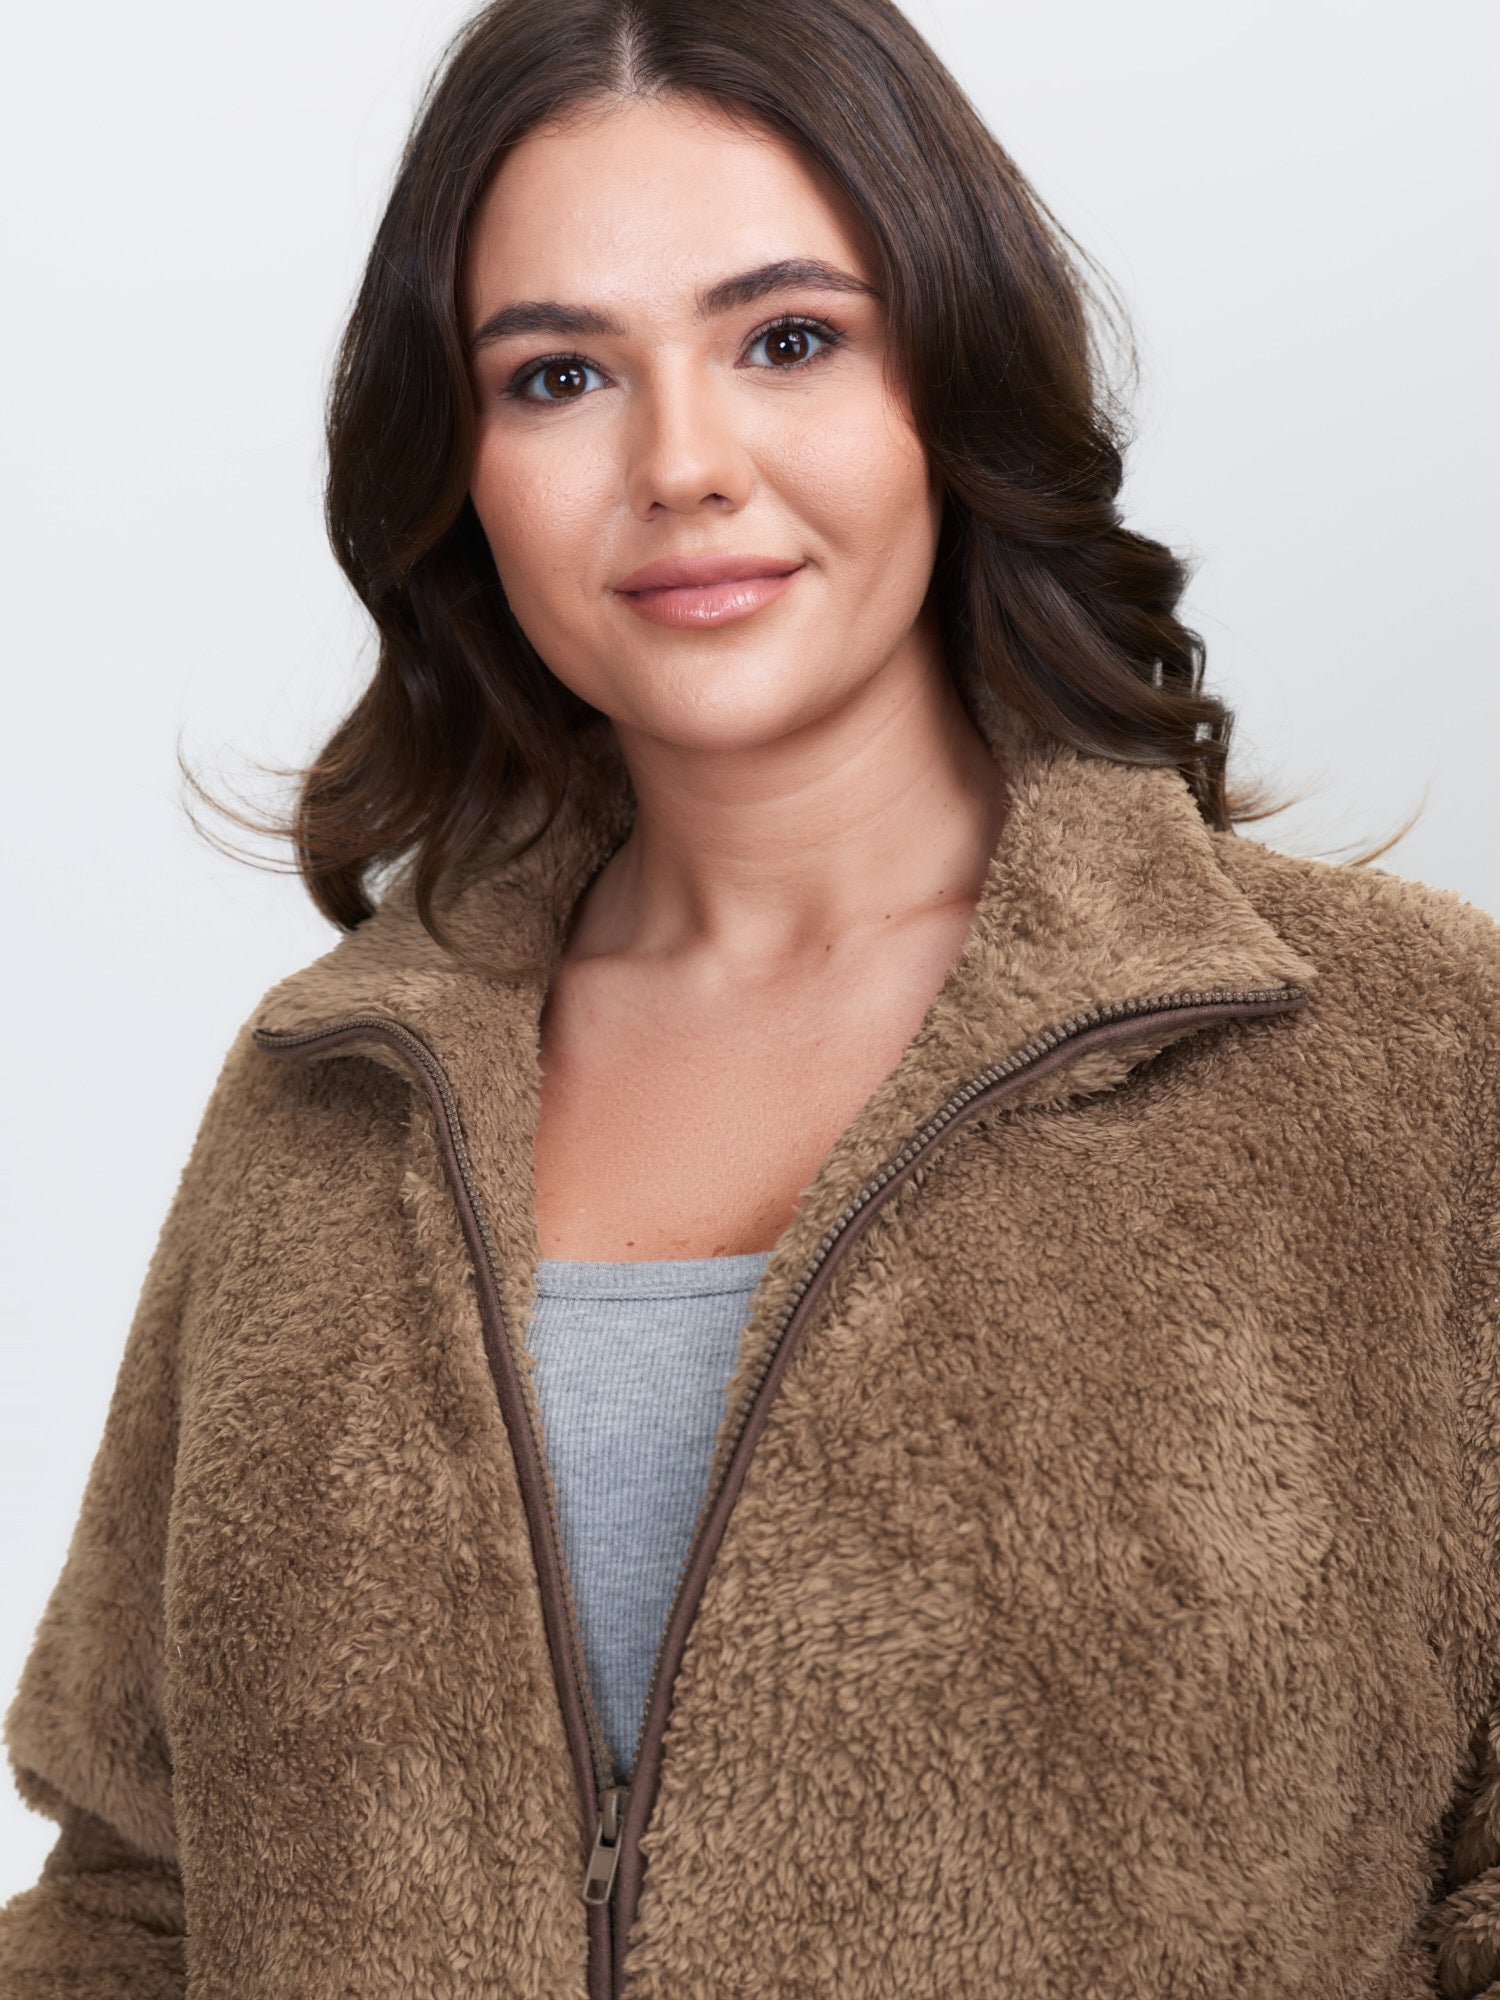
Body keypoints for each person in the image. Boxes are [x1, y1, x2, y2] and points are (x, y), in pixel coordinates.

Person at [3, 0, 1497, 1994]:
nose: (683, 466)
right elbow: (134, 1899)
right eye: (557, 376)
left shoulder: (1409, 1059)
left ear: (951, 377)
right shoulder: (328, 1094)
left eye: (788, 340)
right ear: (459, 468)